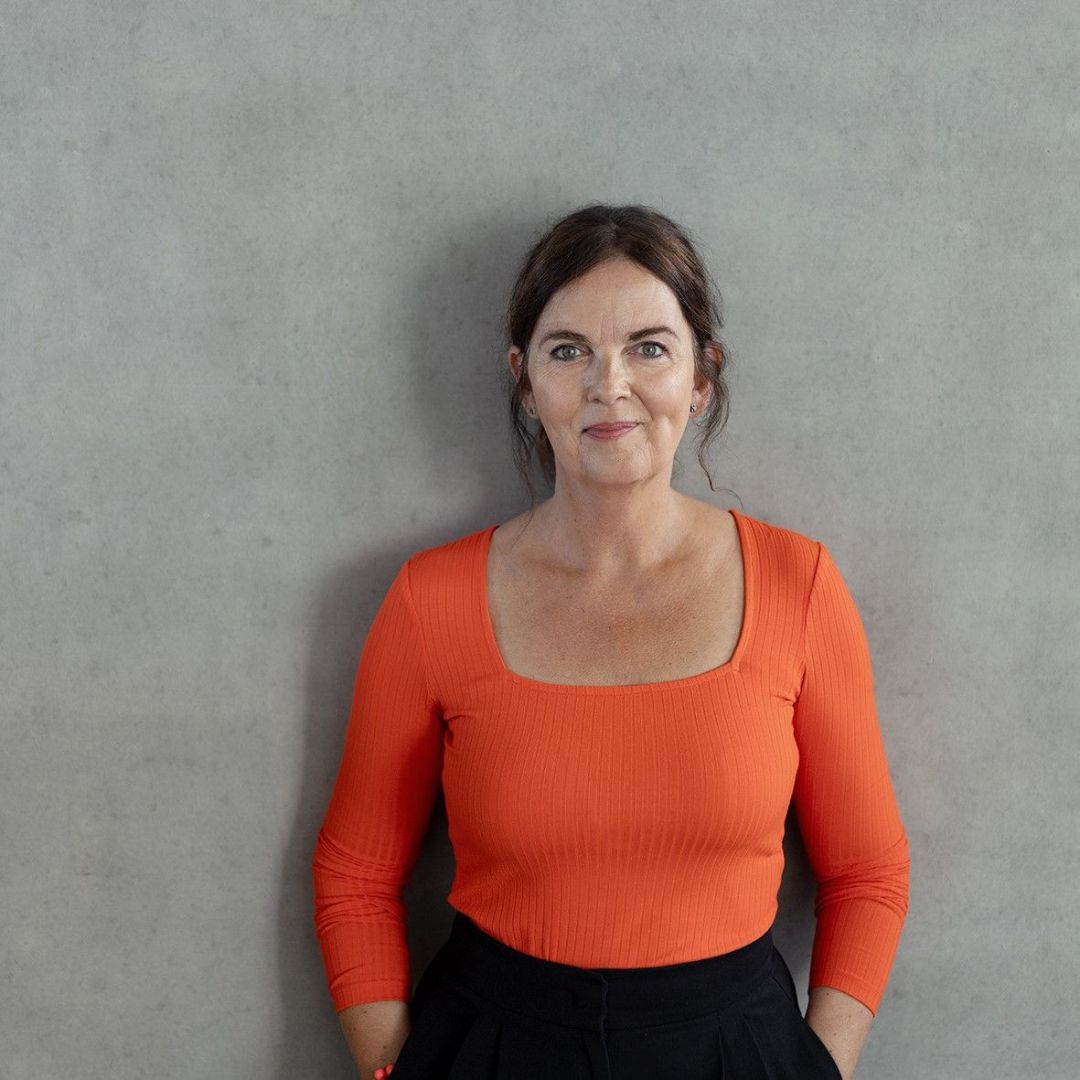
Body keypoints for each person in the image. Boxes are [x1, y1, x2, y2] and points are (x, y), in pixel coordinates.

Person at [312, 203, 911, 1079]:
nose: (609, 384)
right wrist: (393, 1072)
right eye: (568, 351)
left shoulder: (800, 585)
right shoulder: (429, 600)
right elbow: (354, 875)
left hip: (734, 1048)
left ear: (702, 377)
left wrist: (819, 1070)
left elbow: (868, 872)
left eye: (648, 347)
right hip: (492, 1047)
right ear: (524, 381)